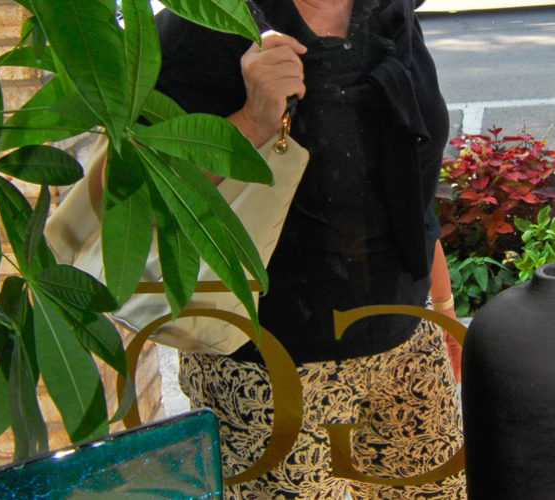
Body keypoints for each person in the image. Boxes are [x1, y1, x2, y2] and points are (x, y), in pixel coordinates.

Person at [153, 0, 464, 497]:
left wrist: (441, 305)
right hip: (270, 375)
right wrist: (252, 120)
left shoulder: (391, 11)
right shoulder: (202, 24)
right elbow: (142, 195)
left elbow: (408, 184)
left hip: (406, 346)